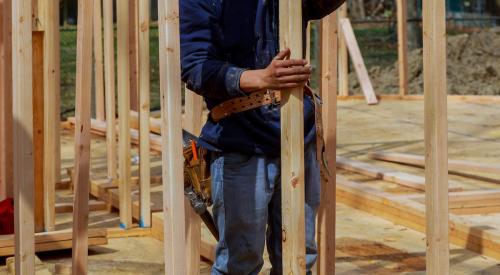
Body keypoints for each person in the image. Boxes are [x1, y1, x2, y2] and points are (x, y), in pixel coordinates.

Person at [180, 1, 344, 274]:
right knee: (239, 263)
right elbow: (195, 67)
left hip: (297, 140)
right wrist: (261, 78)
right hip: (240, 142)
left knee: (298, 259)